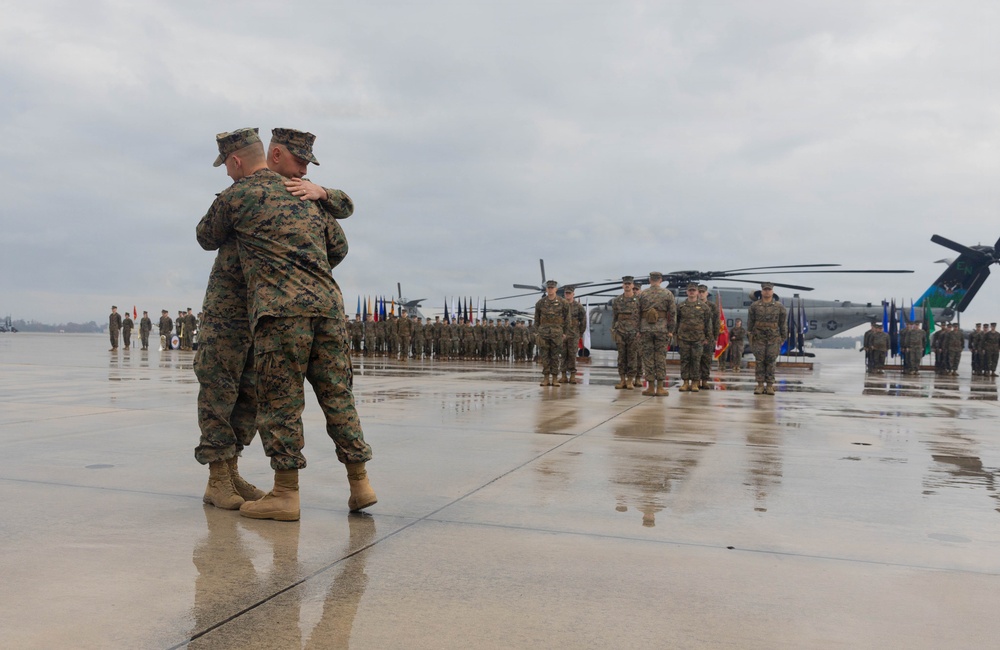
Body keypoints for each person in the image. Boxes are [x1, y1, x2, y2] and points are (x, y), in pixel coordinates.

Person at [197, 127, 375, 521]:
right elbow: (339, 247)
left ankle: (285, 494)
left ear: (235, 161)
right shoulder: (307, 197)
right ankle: (360, 483)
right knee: (338, 396)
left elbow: (205, 236)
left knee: (281, 401)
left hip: (280, 311)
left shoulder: (238, 196)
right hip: (327, 308)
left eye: (227, 166)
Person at [637, 271, 676, 396]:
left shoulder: (643, 294)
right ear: (661, 280)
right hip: (662, 330)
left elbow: (636, 313)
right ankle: (660, 387)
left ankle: (650, 387)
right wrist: (670, 330)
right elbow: (673, 314)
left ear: (649, 280)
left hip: (646, 330)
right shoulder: (668, 294)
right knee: (660, 358)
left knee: (648, 358)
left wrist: (638, 329)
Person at [747, 282, 787, 395]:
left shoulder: (779, 306)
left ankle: (770, 385)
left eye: (769, 289)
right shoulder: (755, 306)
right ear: (762, 291)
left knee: (771, 361)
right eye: (765, 289)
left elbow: (783, 323)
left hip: (773, 337)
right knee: (759, 361)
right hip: (758, 336)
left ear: (772, 291)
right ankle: (759, 385)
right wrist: (750, 334)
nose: (767, 291)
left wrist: (783, 336)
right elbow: (750, 322)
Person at [675, 283, 712, 393]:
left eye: (694, 290)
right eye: (690, 290)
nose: (692, 292)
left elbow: (708, 323)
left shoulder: (704, 307)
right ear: (687, 292)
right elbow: (677, 322)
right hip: (684, 338)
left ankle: (695, 383)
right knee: (685, 360)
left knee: (696, 360)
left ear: (697, 292)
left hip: (698, 338)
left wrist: (707, 338)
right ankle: (686, 382)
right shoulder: (681, 306)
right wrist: (676, 335)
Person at [534, 280, 569, 386]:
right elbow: (536, 319)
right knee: (544, 356)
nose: (550, 290)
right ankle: (545, 378)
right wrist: (537, 332)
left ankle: (554, 378)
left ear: (556, 289)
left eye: (552, 288)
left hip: (557, 333)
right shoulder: (540, 303)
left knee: (555, 356)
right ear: (546, 289)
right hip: (543, 333)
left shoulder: (563, 303)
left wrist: (565, 332)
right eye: (548, 288)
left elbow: (567, 319)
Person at [611, 276, 640, 389]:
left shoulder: (638, 300)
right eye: (625, 284)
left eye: (629, 283)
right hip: (621, 331)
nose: (627, 285)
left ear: (633, 286)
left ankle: (630, 380)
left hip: (633, 332)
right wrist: (614, 329)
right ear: (623, 285)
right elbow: (615, 317)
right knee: (621, 357)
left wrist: (639, 331)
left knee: (632, 356)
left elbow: (641, 317)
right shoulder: (618, 300)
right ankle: (622, 379)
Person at [561, 286, 587, 384]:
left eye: (569, 293)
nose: (567, 295)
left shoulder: (578, 306)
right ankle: (563, 375)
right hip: (563, 334)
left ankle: (572, 375)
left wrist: (580, 333)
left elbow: (583, 320)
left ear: (573, 294)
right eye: (566, 293)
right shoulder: (561, 305)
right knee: (563, 355)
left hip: (574, 333)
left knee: (572, 354)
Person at [696, 285, 720, 389]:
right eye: (700, 292)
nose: (701, 293)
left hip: (708, 337)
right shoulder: (692, 305)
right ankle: (695, 381)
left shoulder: (712, 306)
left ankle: (705, 380)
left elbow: (716, 322)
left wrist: (715, 337)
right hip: (695, 337)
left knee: (706, 360)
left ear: (707, 293)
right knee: (695, 360)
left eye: (703, 292)